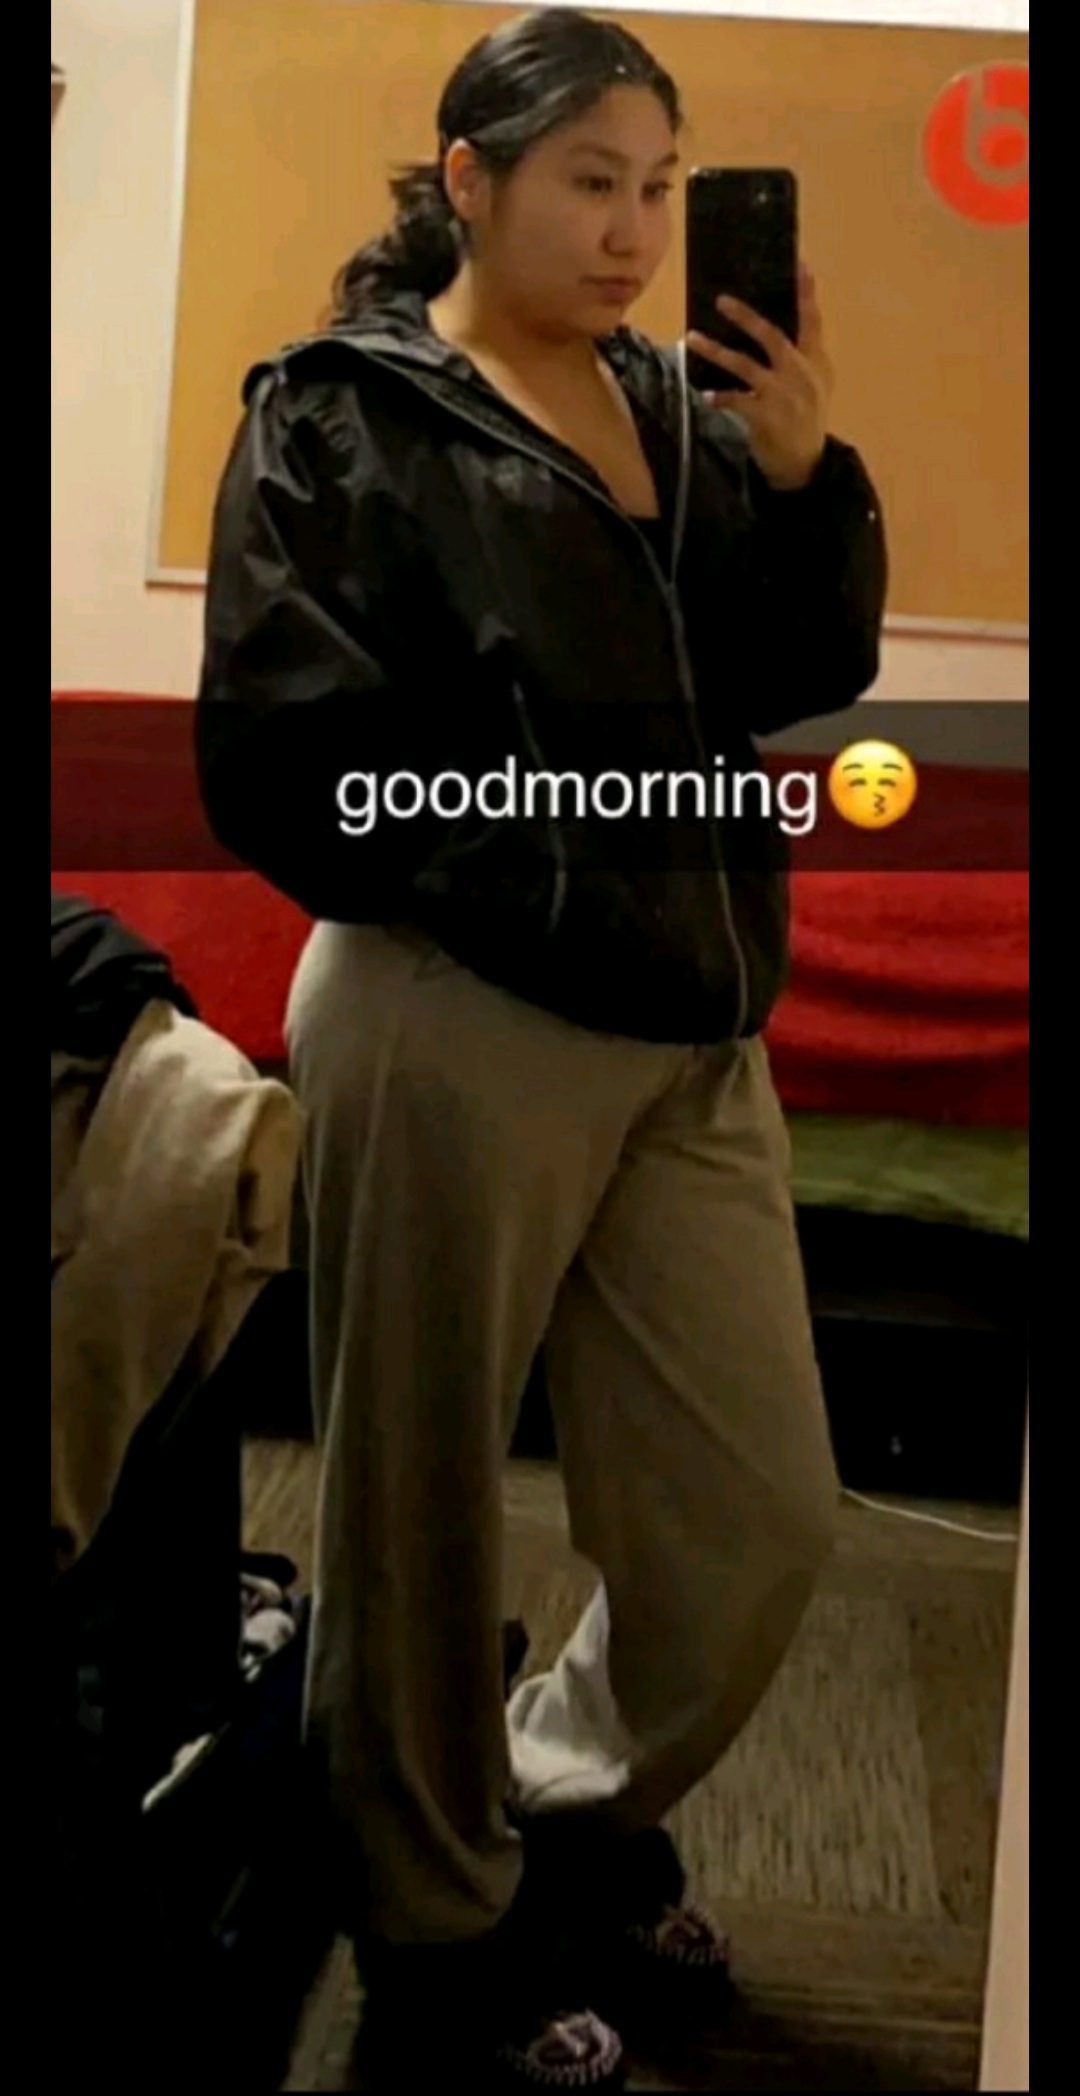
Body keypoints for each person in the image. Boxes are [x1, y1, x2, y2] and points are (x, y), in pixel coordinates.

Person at [195, 7, 887, 2085]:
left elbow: (791, 671)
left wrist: (806, 476)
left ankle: (552, 1812)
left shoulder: (681, 407)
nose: (636, 229)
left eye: (661, 185)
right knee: (415, 1511)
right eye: (592, 180)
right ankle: (436, 1931)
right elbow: (292, 767)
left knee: (758, 1512)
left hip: (687, 1022)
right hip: (455, 1008)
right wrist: (580, 846)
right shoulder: (343, 414)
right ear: (470, 177)